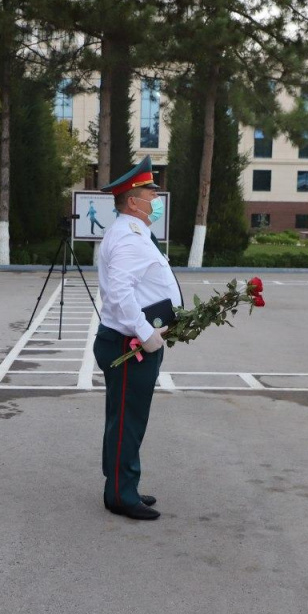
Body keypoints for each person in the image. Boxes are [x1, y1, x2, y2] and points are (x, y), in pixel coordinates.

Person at [93, 156, 181, 521]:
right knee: (128, 420)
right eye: (150, 192)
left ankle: (122, 484)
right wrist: (146, 335)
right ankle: (120, 495)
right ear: (132, 201)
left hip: (133, 342)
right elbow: (120, 293)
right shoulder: (128, 237)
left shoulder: (134, 232)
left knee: (127, 418)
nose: (156, 198)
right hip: (130, 345)